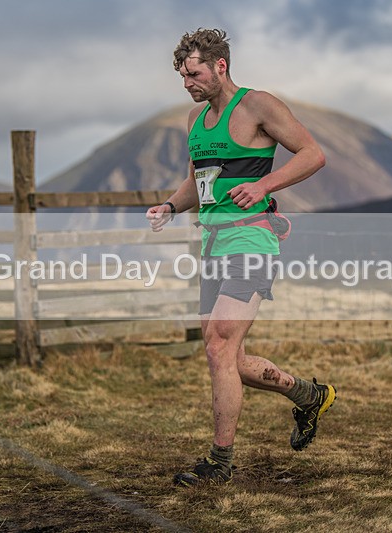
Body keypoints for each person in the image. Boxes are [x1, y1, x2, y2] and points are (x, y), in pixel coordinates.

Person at [146, 28, 336, 487]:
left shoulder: (258, 106)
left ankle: (219, 463)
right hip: (214, 244)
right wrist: (171, 206)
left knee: (217, 345)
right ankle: (308, 395)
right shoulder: (195, 120)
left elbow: (313, 154)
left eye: (194, 73)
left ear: (220, 66)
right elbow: (198, 183)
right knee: (229, 357)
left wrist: (265, 185)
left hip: (252, 241)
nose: (187, 83)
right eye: (182, 76)